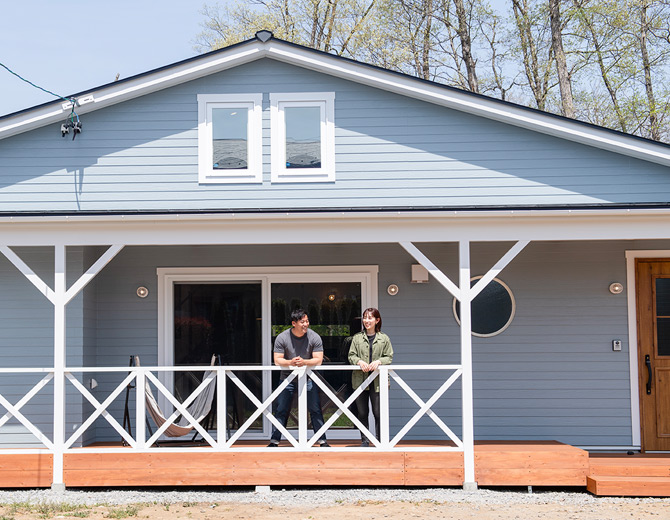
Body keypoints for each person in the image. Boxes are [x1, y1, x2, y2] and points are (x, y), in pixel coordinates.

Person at [268, 308, 330, 447]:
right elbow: (277, 360)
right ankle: (274, 441)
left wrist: (304, 362)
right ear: (294, 323)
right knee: (281, 409)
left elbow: (318, 360)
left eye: (307, 321)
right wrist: (291, 363)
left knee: (315, 408)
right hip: (287, 378)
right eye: (302, 322)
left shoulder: (314, 337)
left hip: (309, 378)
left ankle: (322, 440)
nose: (306, 324)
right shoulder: (282, 337)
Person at [348, 307, 393, 447]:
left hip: (378, 381)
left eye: (370, 318)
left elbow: (389, 356)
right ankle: (365, 440)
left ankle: (380, 441)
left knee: (378, 412)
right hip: (359, 380)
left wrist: (379, 362)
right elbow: (351, 355)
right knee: (362, 412)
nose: (366, 321)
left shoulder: (384, 338)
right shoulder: (357, 338)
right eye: (365, 317)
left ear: (377, 320)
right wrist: (359, 361)